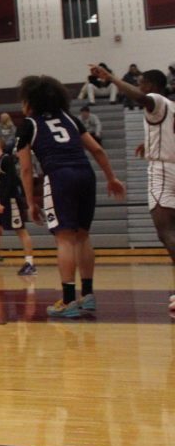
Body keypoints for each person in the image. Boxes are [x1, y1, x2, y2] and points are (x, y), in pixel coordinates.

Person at [15, 74, 125, 318]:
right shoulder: (70, 119)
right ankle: (87, 296)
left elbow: (24, 169)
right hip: (85, 174)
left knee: (64, 238)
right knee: (83, 236)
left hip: (59, 176)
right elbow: (97, 149)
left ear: (30, 100)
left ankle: (67, 300)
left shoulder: (29, 124)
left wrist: (31, 202)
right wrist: (112, 178)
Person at [88, 64, 175, 313]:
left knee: (165, 231)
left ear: (152, 86)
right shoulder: (172, 108)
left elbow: (140, 98)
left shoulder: (156, 100)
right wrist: (149, 142)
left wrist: (111, 78)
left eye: (142, 83)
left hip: (162, 171)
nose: (139, 88)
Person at [0, 136, 36, 276]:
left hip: (11, 201)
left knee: (20, 231)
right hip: (2, 199)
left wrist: (2, 203)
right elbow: (2, 183)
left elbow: (11, 182)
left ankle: (30, 264)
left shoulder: (6, 159)